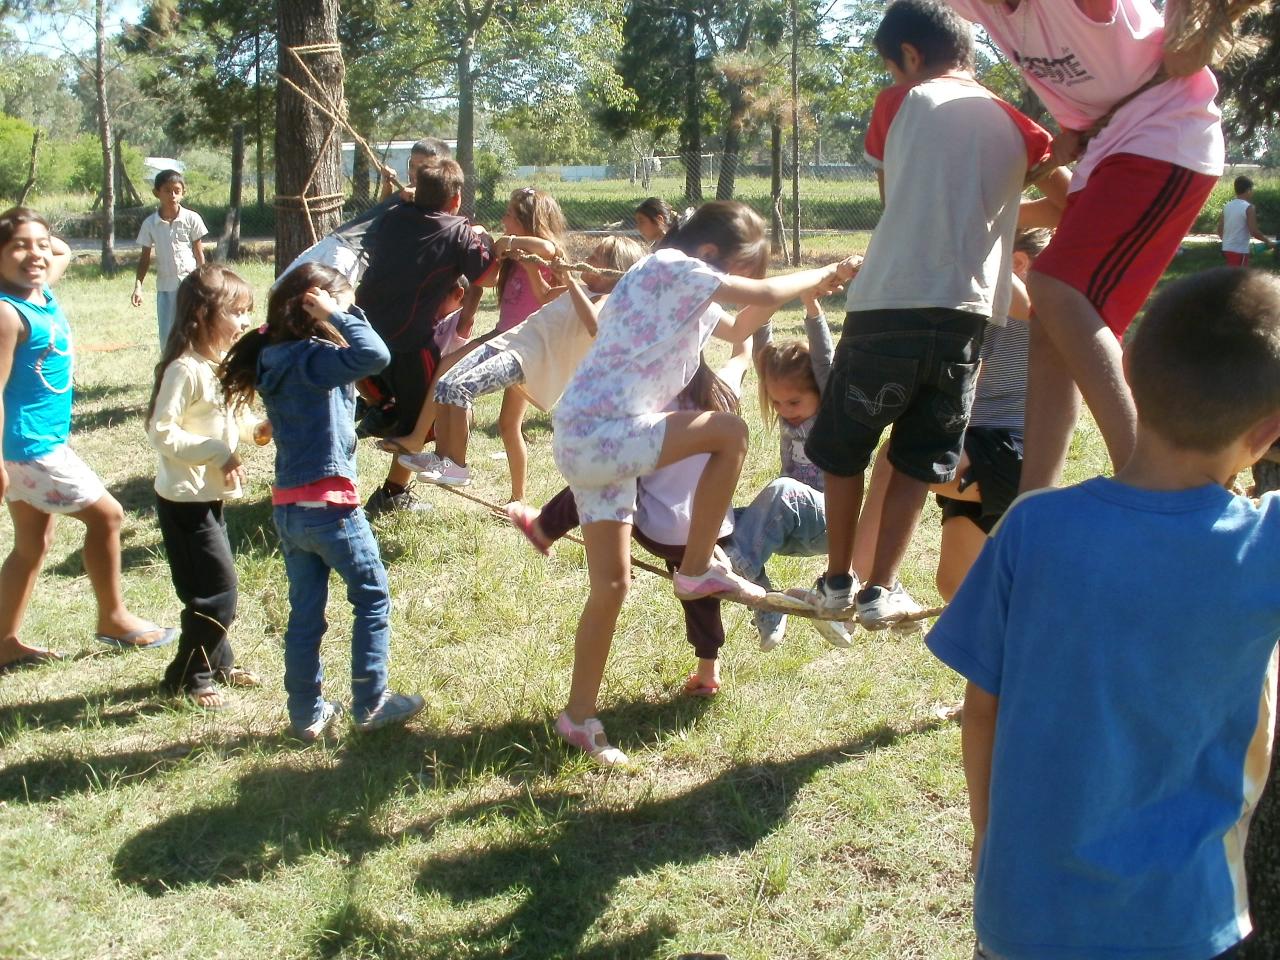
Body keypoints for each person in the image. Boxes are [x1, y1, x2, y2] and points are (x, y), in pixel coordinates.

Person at [927, 266, 1280, 960]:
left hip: (1021, 915)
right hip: (1185, 920)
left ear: (1129, 382)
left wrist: (984, 834)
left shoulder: (1033, 527)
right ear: (1267, 434)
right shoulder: (1264, 545)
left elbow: (982, 710)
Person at [550, 199, 857, 765]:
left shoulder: (681, 289)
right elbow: (758, 300)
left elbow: (744, 323)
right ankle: (695, 570)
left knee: (611, 586)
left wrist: (803, 295)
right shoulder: (669, 267)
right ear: (712, 255)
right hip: (603, 433)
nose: (737, 284)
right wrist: (823, 272)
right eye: (738, 273)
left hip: (590, 436)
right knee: (730, 434)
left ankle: (578, 714)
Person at [797, 0, 1053, 629]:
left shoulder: (901, 101)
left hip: (890, 304)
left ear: (909, 56)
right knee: (920, 456)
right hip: (967, 319)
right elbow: (1064, 202)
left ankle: (836, 580)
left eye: (891, 67)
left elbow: (897, 199)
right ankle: (880, 588)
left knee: (845, 448)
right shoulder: (1017, 122)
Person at [942, 0, 1226, 492]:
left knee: (1052, 286)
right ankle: (1034, 499)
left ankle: (1161, 485)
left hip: (1167, 136)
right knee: (1049, 326)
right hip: (1110, 149)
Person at [221, 263, 425, 741]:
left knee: (305, 613)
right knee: (372, 596)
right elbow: (375, 355)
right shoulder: (313, 358)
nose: (354, 313)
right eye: (346, 304)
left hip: (289, 509)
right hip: (330, 506)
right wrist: (344, 314)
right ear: (318, 306)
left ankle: (306, 712)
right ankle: (371, 703)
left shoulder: (274, 355)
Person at [509, 343, 754, 702]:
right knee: (699, 589)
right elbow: (740, 362)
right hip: (706, 534)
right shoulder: (723, 394)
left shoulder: (648, 408)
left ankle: (545, 527)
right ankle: (708, 671)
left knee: (602, 478)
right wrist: (744, 345)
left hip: (656, 526)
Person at [1, 207, 176, 672]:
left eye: (40, 243)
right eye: (18, 246)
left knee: (32, 544)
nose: (36, 253)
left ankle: (4, 642)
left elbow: (60, 252)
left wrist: (37, 241)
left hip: (31, 445)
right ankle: (113, 618)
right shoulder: (6, 312)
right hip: (30, 447)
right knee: (109, 517)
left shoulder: (38, 292)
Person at [852, 228, 1049, 603]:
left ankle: (858, 584)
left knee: (896, 459)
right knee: (957, 591)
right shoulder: (1039, 311)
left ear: (1017, 264)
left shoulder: (1005, 316)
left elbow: (961, 392)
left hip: (1006, 456)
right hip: (981, 456)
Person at [405, 236, 646, 498]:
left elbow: (594, 325)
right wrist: (535, 269)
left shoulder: (607, 299)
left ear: (611, 271)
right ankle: (441, 456)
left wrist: (570, 283)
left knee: (462, 389)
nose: (586, 261)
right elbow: (543, 296)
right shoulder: (582, 289)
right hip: (512, 339)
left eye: (594, 258)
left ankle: (458, 466)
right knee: (446, 383)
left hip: (529, 356)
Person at [146, 264, 265, 709]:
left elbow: (236, 418)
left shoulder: (218, 366)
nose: (245, 322)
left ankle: (218, 661)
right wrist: (217, 452)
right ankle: (187, 677)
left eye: (248, 312)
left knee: (209, 587)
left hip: (208, 497)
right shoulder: (185, 369)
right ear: (203, 314)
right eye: (237, 312)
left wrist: (259, 430)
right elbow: (161, 431)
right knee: (219, 592)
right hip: (185, 500)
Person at [355, 157, 497, 518]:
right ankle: (392, 492)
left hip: (360, 330)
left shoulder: (391, 216)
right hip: (408, 341)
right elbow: (487, 278)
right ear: (456, 198)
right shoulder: (459, 230)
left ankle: (379, 406)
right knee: (417, 420)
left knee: (392, 404)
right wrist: (490, 242)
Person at [724, 290, 855, 652]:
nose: (785, 409)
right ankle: (769, 604)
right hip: (789, 529)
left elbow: (824, 360)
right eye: (778, 402)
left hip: (830, 520)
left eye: (794, 401)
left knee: (783, 489)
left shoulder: (829, 411)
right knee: (718, 521)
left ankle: (740, 568)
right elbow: (763, 358)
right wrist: (765, 305)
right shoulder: (784, 409)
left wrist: (812, 306)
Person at [274, 137, 452, 288]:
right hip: (335, 240)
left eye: (421, 167)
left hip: (351, 254)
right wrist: (388, 186)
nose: (413, 172)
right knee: (280, 290)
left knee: (319, 311)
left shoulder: (427, 203)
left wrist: (418, 197)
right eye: (411, 165)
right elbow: (384, 212)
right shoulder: (406, 192)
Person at [131, 169, 208, 347]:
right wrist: (138, 286)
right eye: (167, 190)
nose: (172, 195)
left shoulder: (191, 218)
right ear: (156, 193)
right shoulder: (150, 224)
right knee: (168, 336)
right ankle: (168, 369)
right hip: (165, 286)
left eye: (177, 190)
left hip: (190, 283)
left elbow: (199, 253)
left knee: (192, 329)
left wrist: (202, 281)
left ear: (183, 192)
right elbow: (144, 258)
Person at [1219, 175, 1275, 268]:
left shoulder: (1227, 206)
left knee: (1232, 277)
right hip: (1240, 250)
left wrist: (1228, 242)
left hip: (1226, 249)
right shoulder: (1249, 207)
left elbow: (1220, 229)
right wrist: (1268, 241)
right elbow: (1254, 231)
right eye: (1252, 189)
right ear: (1248, 190)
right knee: (1240, 280)